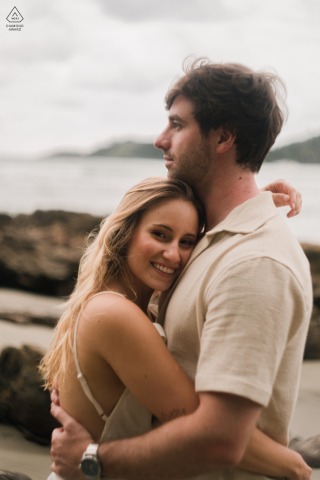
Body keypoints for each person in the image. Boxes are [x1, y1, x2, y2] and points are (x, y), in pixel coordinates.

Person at [50, 59, 313, 480]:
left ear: (224, 136)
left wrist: (93, 459)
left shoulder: (254, 262)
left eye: (176, 124)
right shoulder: (215, 242)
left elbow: (220, 438)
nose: (159, 139)